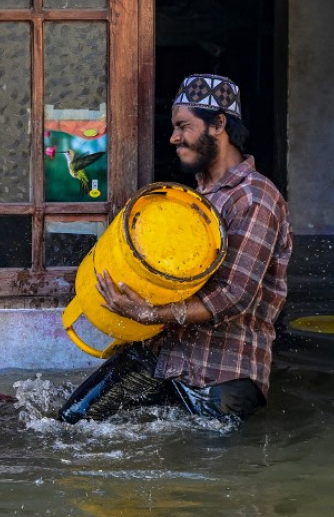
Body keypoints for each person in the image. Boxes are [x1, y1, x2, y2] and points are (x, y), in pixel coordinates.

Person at [58, 74, 292, 425]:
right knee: (69, 424)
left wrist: (151, 313)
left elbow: (234, 296)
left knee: (202, 473)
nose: (173, 137)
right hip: (163, 357)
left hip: (222, 374)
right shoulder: (191, 201)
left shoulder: (256, 198)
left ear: (218, 124)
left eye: (184, 126)